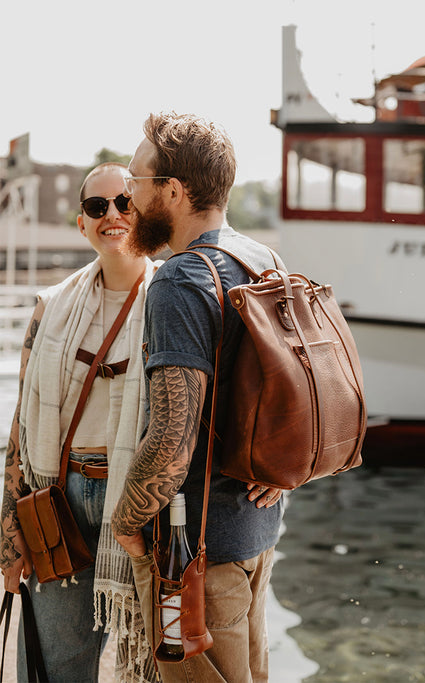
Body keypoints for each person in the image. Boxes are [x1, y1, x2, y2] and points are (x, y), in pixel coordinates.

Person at [111, 112, 285, 682]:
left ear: (174, 191)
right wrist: (284, 469)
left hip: (195, 560)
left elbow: (170, 441)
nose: (128, 197)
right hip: (257, 538)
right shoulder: (262, 262)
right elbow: (300, 394)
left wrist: (127, 522)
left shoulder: (181, 281)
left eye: (136, 181)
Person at [1, 162, 160, 682]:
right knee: (53, 668)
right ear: (82, 223)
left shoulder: (171, 304)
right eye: (97, 206)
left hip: (140, 506)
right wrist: (8, 535)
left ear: (144, 212)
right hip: (58, 501)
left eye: (124, 203)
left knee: (152, 662)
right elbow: (21, 429)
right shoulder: (51, 308)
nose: (112, 215)